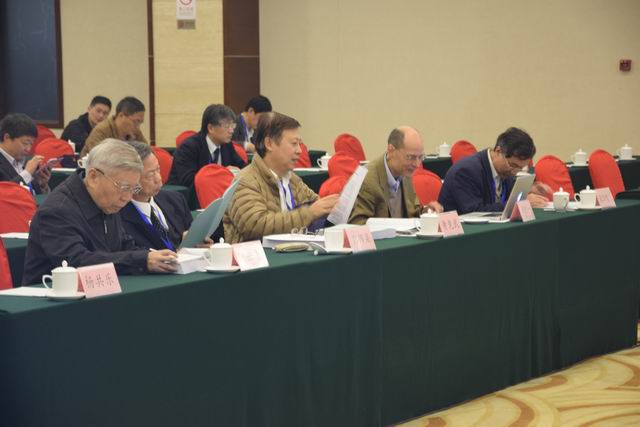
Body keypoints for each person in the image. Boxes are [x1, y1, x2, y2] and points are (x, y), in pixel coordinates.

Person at [22, 139, 177, 285]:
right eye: (124, 187)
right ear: (93, 177)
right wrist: (141, 260)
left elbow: (124, 246)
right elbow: (76, 261)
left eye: (133, 188)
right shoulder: (58, 210)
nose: (127, 197)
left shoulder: (108, 200)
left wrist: (155, 257)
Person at [224, 112, 339, 243]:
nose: (299, 151)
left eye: (299, 144)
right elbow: (256, 225)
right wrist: (310, 213)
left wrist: (331, 207)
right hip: (256, 254)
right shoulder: (245, 181)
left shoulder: (291, 178)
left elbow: (315, 203)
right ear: (269, 143)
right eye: (294, 144)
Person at [438, 127, 549, 214]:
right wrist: (518, 204)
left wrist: (529, 190)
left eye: (521, 168)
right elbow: (474, 211)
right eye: (513, 165)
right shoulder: (466, 171)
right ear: (498, 151)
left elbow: (506, 198)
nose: (515, 172)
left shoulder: (505, 171)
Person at [120, 140, 207, 249]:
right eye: (150, 175)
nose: (159, 178)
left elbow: (193, 238)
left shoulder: (176, 200)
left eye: (158, 169)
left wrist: (199, 242)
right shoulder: (119, 216)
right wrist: (178, 248)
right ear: (131, 179)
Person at [349, 126, 443, 225]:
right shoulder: (367, 179)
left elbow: (412, 215)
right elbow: (357, 224)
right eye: (410, 157)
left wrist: (427, 212)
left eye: (420, 157)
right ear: (391, 151)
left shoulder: (406, 173)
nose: (417, 164)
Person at [168, 104, 246, 188]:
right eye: (227, 126)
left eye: (232, 126)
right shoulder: (188, 148)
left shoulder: (226, 145)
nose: (231, 131)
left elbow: (242, 167)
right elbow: (189, 181)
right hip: (185, 194)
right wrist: (222, 174)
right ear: (211, 128)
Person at [0, 113, 51, 194]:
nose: (28, 149)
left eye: (31, 144)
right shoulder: (29, 167)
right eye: (25, 143)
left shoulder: (28, 160)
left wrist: (42, 185)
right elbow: (4, 194)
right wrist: (26, 173)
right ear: (7, 137)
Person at [80, 96, 147, 157]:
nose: (138, 127)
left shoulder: (135, 131)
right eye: (136, 121)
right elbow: (100, 159)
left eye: (140, 122)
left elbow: (148, 153)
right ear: (121, 116)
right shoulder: (101, 131)